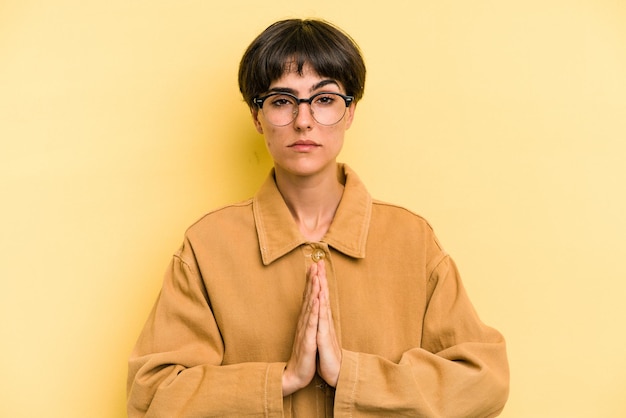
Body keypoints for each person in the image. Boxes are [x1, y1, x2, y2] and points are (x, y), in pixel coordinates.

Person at [127, 18, 509, 417]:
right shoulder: (208, 245)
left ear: (350, 112)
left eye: (324, 99)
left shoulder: (411, 239)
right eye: (281, 101)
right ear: (257, 117)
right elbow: (151, 395)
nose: (303, 120)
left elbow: (485, 379)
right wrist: (282, 380)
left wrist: (352, 375)